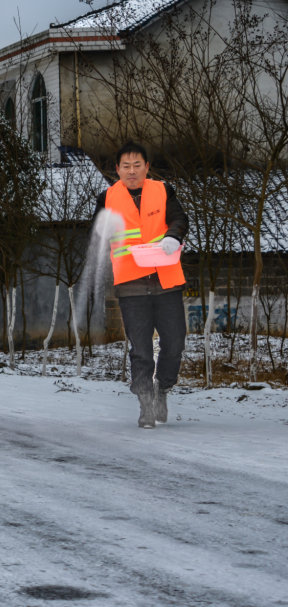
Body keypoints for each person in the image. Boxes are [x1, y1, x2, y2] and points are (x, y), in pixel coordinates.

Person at [95, 142, 188, 429]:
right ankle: (146, 403)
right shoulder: (107, 198)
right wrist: (101, 230)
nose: (132, 171)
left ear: (147, 167)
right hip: (131, 285)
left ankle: (163, 388)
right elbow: (96, 232)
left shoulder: (163, 191)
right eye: (126, 166)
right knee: (141, 350)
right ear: (117, 170)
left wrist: (173, 235)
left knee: (174, 343)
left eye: (138, 165)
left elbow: (179, 218)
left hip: (166, 282)